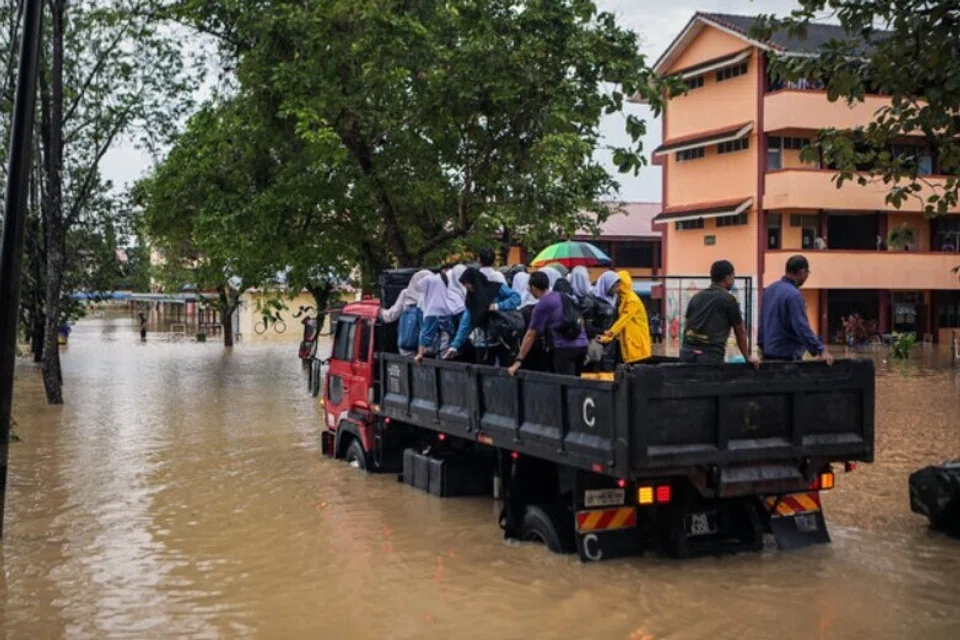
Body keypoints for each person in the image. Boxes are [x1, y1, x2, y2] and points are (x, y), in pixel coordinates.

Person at [680, 260, 759, 368]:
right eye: (733, 277)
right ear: (727, 278)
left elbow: (687, 326)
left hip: (687, 353)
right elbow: (740, 331)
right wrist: (747, 357)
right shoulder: (729, 300)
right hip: (710, 355)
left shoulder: (696, 297)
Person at [509, 271, 588, 377]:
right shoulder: (562, 296)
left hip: (565, 348)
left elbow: (531, 335)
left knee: (565, 386)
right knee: (577, 384)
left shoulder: (542, 305)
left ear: (534, 288)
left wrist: (518, 360)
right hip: (582, 345)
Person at [758, 255, 834, 365]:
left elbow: (762, 323)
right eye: (807, 273)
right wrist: (820, 349)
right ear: (802, 272)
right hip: (787, 357)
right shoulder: (794, 295)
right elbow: (801, 326)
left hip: (768, 355)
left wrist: (761, 347)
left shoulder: (769, 290)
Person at [445, 267, 521, 364]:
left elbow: (516, 298)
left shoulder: (496, 288)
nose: (467, 288)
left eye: (468, 284)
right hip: (483, 344)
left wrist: (498, 306)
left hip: (503, 339)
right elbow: (465, 324)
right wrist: (454, 346)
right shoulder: (471, 300)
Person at [597, 271, 651, 365]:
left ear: (622, 285)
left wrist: (608, 336)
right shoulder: (622, 299)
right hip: (631, 343)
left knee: (635, 374)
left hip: (636, 345)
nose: (615, 287)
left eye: (617, 284)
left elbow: (623, 320)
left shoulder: (632, 300)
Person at [415, 274, 464, 363]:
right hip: (460, 346)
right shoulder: (454, 298)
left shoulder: (434, 307)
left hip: (445, 350)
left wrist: (420, 353)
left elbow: (427, 332)